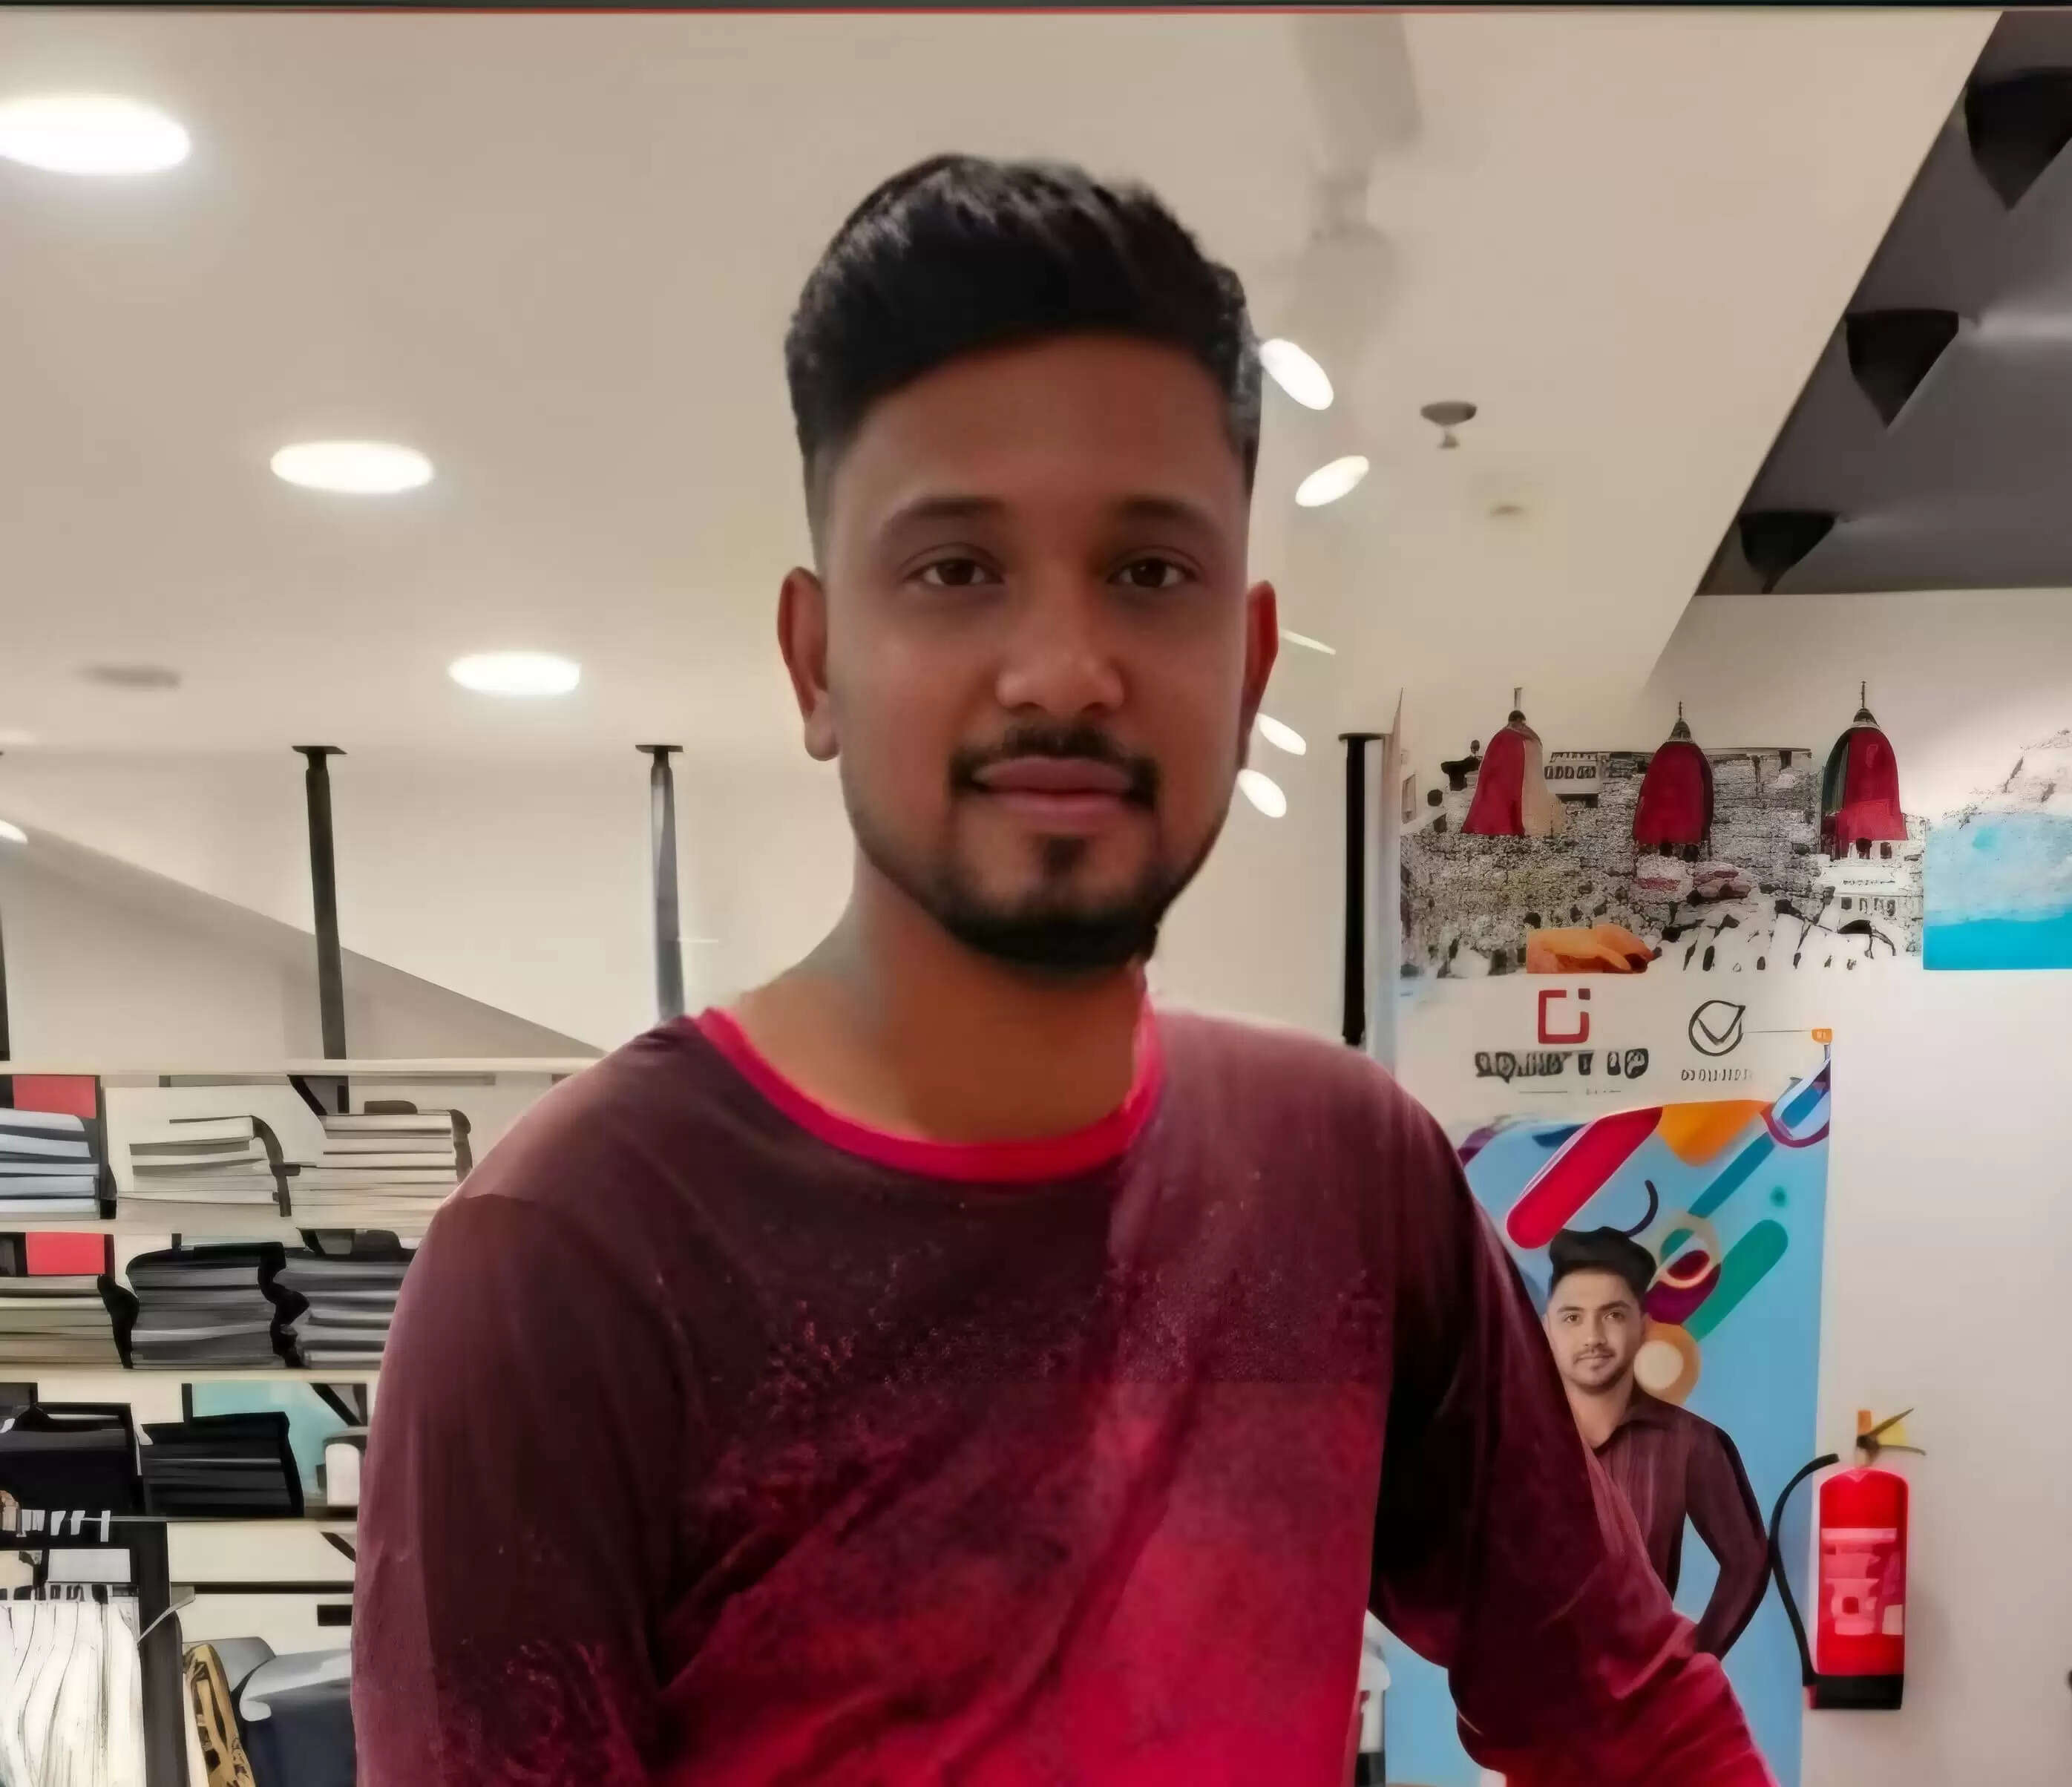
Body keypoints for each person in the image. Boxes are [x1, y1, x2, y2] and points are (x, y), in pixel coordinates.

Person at [353, 155, 1769, 1786]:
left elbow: (1625, 1711)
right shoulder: (572, 1258)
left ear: (1246, 666)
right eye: (954, 568)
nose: (1063, 669)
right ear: (816, 659)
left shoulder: (1343, 1176)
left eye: (1148, 573)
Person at [1544, 1226, 1772, 1658]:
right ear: (1546, 1329)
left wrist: (1692, 1667)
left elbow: (1748, 1561)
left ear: (1644, 1326)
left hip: (1639, 1690)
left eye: (1613, 1315)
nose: (1592, 1338)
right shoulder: (1510, 1441)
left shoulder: (1690, 1443)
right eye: (1572, 1317)